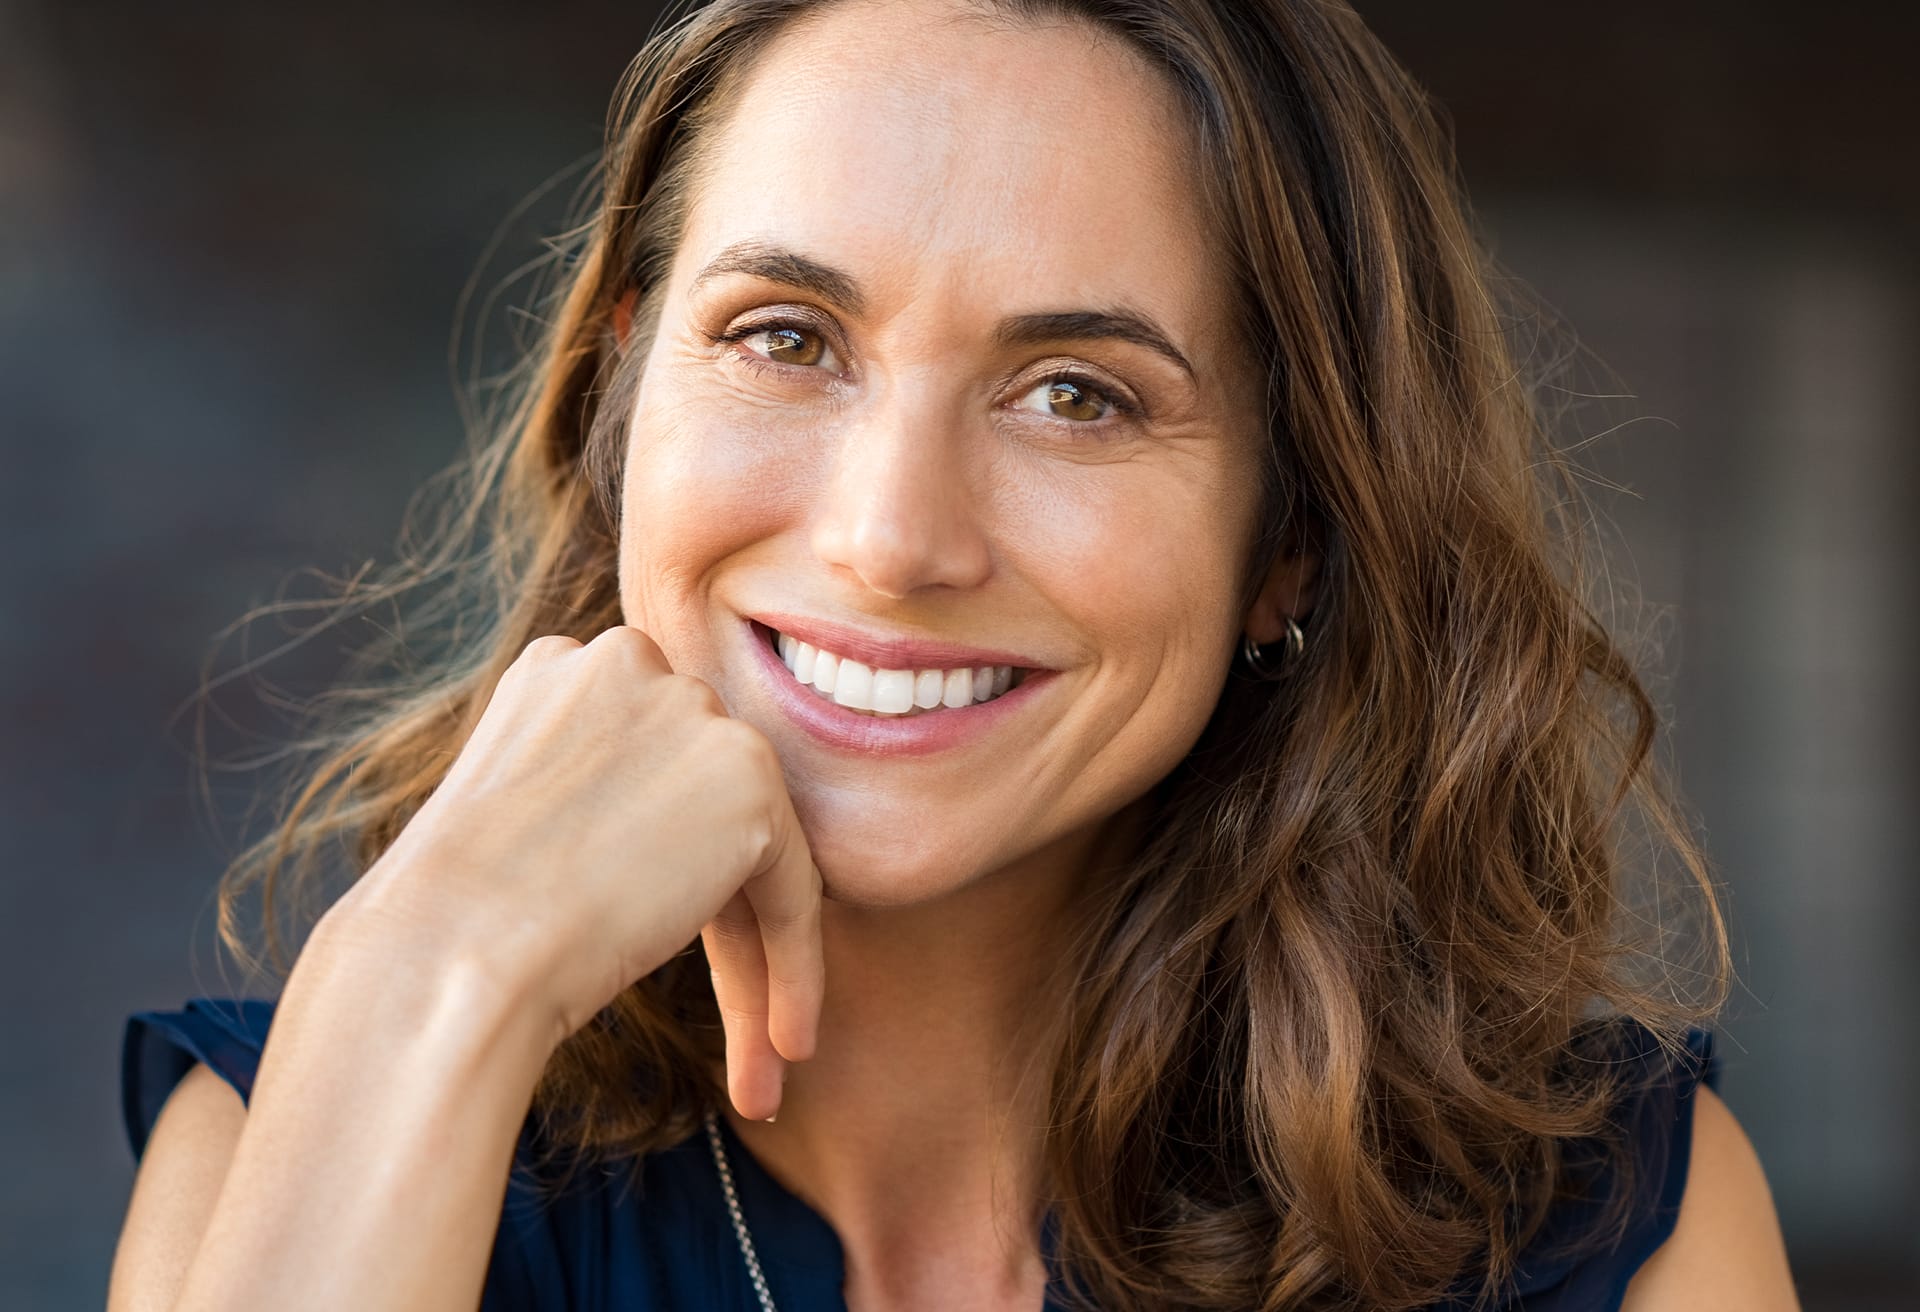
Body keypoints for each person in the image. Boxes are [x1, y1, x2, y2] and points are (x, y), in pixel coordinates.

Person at [106, 1, 1801, 1309]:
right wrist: (436, 965)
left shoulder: (1600, 1226)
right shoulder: (305, 1125)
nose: (891, 539)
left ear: (1288, 538)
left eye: (1079, 394)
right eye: (786, 338)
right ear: (628, 398)